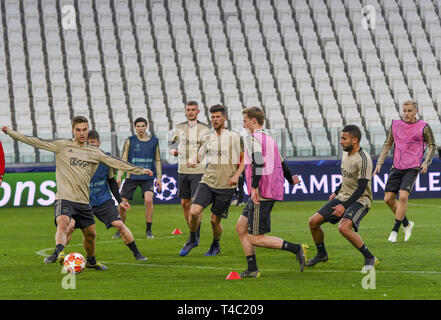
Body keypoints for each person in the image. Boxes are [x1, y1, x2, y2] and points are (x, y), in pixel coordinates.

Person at [2, 116, 152, 270]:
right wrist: (11, 133)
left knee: (91, 234)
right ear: (73, 130)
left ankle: (91, 261)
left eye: (85, 130)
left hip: (84, 201)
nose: (82, 133)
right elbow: (35, 141)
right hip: (65, 197)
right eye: (78, 130)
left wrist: (141, 170)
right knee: (63, 222)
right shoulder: (62, 146)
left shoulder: (94, 152)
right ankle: (60, 254)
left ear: (88, 130)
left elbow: (115, 162)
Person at [235, 107, 307, 278]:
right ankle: (252, 268)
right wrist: (290, 179)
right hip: (267, 190)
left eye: (245, 120)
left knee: (256, 238)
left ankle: (296, 248)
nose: (243, 124)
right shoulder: (269, 139)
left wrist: (253, 188)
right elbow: (282, 163)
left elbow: (258, 163)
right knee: (241, 227)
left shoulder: (251, 139)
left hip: (262, 193)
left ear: (253, 121)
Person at [307, 125, 378, 271]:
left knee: (344, 227)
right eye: (341, 138)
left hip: (361, 199)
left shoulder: (364, 159)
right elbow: (347, 177)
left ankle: (369, 257)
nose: (340, 141)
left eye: (344, 138)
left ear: (355, 140)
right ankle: (322, 254)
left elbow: (361, 187)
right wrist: (336, 191)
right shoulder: (346, 153)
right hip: (342, 196)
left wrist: (344, 206)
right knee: (313, 222)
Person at [179, 104, 244, 257]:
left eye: (217, 117)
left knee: (215, 221)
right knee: (194, 212)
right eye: (212, 117)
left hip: (226, 185)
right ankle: (193, 238)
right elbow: (200, 155)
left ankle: (215, 244)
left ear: (224, 118)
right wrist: (193, 160)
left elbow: (244, 161)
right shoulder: (208, 137)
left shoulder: (234, 137)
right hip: (208, 181)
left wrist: (236, 176)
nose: (215, 120)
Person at [373, 100, 436, 243]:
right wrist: (379, 163)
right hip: (396, 166)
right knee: (388, 199)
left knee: (402, 196)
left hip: (412, 167)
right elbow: (388, 144)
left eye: (409, 111)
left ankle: (395, 231)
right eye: (405, 111)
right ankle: (407, 224)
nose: (406, 113)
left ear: (415, 112)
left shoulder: (423, 127)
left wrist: (426, 163)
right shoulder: (395, 124)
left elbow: (432, 145)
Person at [169, 101, 210, 244]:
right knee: (185, 203)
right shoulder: (179, 128)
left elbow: (206, 148)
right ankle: (192, 231)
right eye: (188, 110)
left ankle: (195, 234)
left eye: (193, 109)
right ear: (185, 112)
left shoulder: (204, 129)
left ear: (198, 111)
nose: (191, 112)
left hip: (198, 170)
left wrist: (196, 159)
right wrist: (173, 151)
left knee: (195, 203)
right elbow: (173, 143)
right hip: (182, 170)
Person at [116, 117, 162, 239]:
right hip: (132, 176)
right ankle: (120, 227)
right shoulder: (130, 141)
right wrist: (119, 176)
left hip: (147, 177)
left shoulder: (154, 141)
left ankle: (148, 230)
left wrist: (159, 178)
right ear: (135, 127)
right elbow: (124, 160)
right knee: (122, 203)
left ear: (146, 127)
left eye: (142, 126)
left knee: (148, 200)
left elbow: (157, 160)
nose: (140, 128)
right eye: (138, 126)